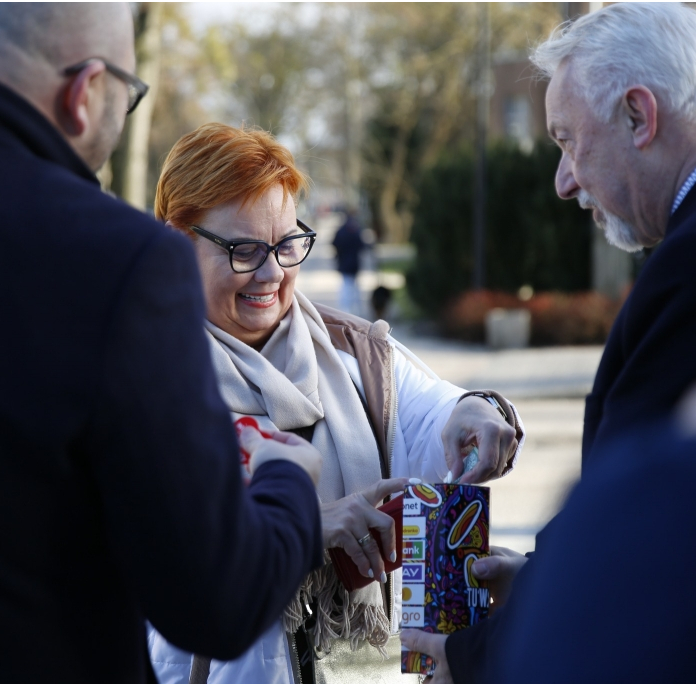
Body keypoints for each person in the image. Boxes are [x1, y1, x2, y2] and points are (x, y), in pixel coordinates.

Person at [0, 4, 325, 681]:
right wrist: (287, 479)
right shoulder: (118, 261)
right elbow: (215, 599)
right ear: (85, 91)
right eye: (127, 97)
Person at [401, 3, 696, 680]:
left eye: (567, 140)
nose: (563, 182)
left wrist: (477, 653)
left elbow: (648, 540)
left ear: (638, 116)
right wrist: (538, 580)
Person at [146, 122, 526, 684]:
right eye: (245, 250)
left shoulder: (355, 353)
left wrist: (476, 412)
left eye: (286, 244)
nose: (273, 273)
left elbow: (430, 414)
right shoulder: (133, 373)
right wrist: (302, 528)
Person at [331, 208, 368, 315]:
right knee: (353, 287)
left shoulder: (342, 230)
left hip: (344, 263)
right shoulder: (356, 230)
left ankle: (346, 309)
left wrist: (339, 254)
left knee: (347, 287)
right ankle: (354, 310)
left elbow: (334, 243)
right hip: (354, 264)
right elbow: (362, 246)